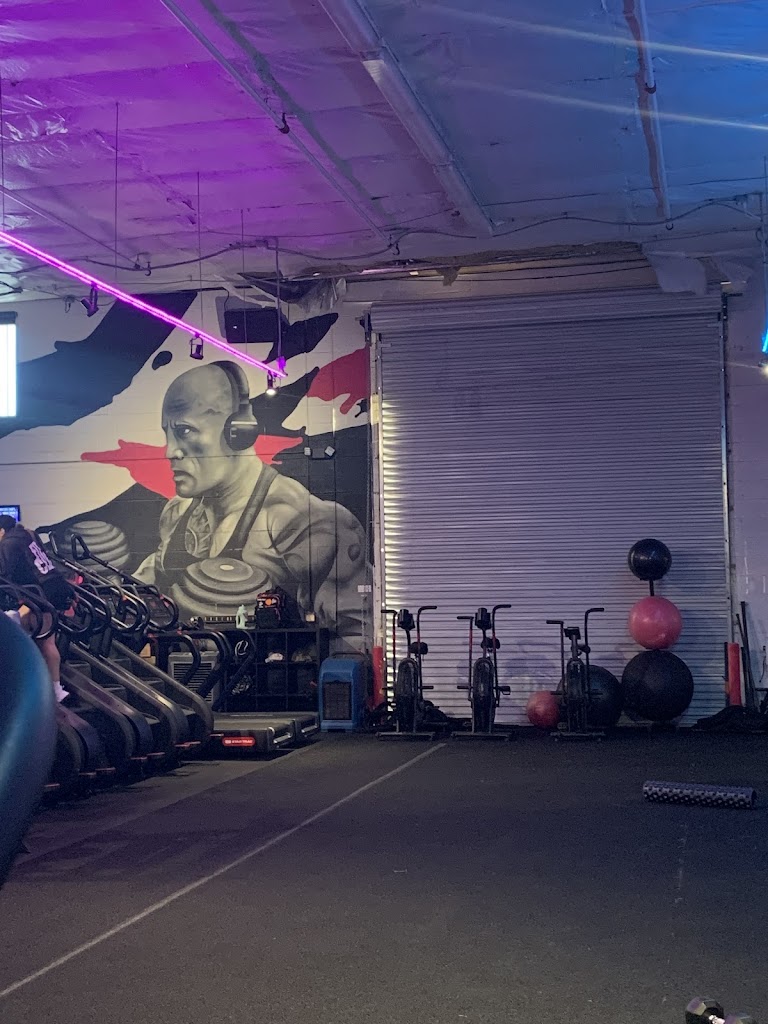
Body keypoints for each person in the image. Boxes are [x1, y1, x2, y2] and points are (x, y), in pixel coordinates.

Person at [134, 361, 369, 635]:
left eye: (184, 430)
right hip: (192, 661)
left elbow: (354, 638)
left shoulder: (302, 522)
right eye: (168, 434)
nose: (170, 452)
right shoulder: (176, 513)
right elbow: (141, 590)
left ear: (238, 431)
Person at [0, 514, 72, 701]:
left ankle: (47, 688)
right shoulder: (27, 536)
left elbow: (4, 573)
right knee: (44, 642)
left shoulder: (8, 543)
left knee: (38, 642)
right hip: (51, 589)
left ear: (2, 531)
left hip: (39, 594)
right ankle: (54, 688)